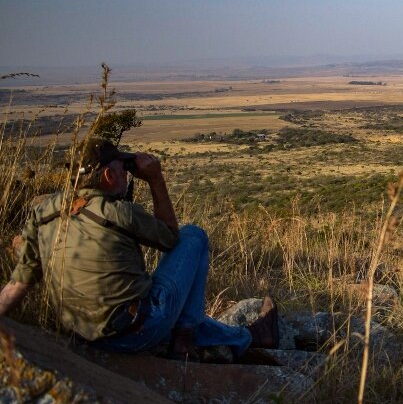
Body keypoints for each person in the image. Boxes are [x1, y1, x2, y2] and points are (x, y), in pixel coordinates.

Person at [0, 138, 278, 360]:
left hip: (81, 334)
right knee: (194, 236)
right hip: (135, 333)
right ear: (108, 175)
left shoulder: (46, 211)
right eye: (123, 168)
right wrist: (155, 179)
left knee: (157, 305)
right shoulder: (118, 212)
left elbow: (19, 283)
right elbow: (171, 239)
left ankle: (242, 337)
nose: (126, 174)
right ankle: (185, 339)